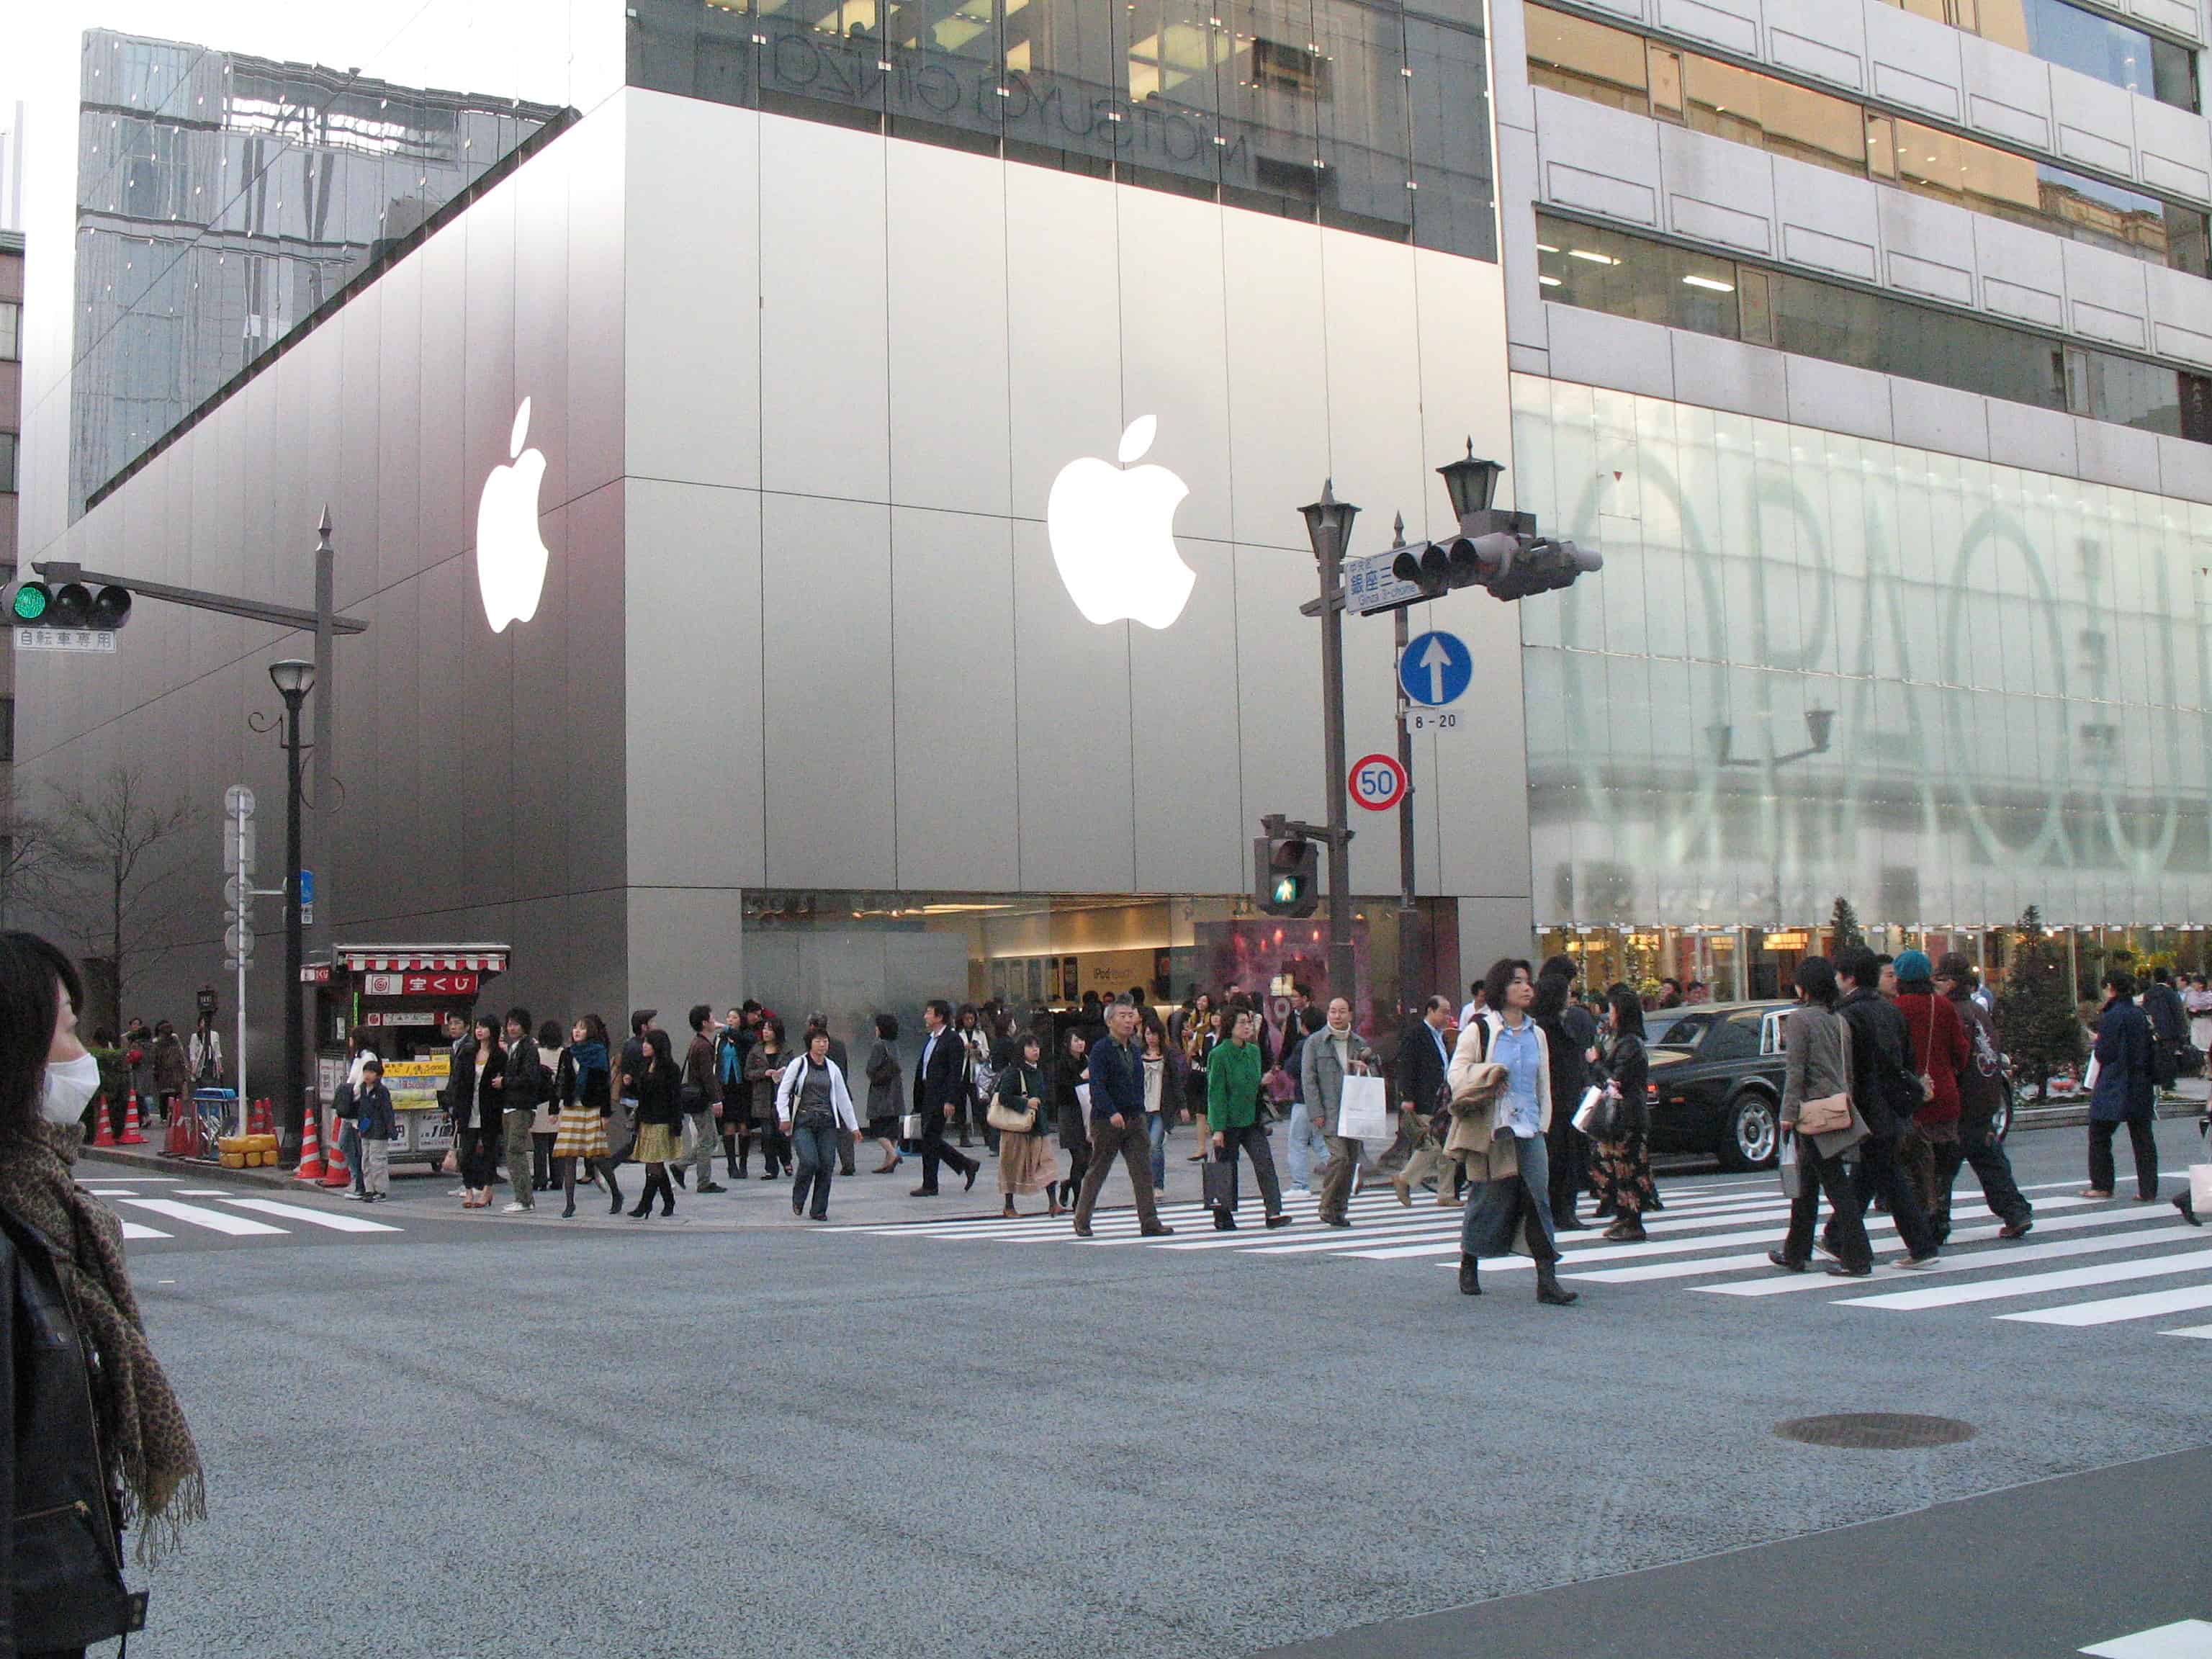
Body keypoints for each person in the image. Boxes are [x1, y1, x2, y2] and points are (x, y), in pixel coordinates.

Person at [0, 932, 204, 1645]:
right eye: (65, 1027)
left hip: (51, 1584)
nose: (83, 1053)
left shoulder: (49, 1207)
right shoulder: (19, 1226)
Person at [1450, 958, 1576, 1306]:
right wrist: (1490, 1073)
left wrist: (1544, 1124)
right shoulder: (1482, 1029)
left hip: (1530, 1127)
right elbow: (1457, 1072)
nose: (1526, 987)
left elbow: (1542, 1082)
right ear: (1500, 988)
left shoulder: (1537, 1033)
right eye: (1517, 981)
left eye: (1527, 982)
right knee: (1487, 1197)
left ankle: (1547, 1278)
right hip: (1495, 1128)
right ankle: (1469, 1261)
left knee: (1539, 1200)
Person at [1768, 956, 1874, 1277]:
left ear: (1805, 986)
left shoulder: (1800, 1020)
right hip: (1835, 1108)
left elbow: (1795, 1070)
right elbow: (1847, 1070)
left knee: (1834, 1186)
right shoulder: (1838, 1020)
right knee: (1809, 1184)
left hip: (1811, 1113)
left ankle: (1857, 1255)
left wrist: (1787, 1114)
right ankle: (1795, 1251)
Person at [1834, 948, 1940, 1267]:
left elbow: (1848, 1068)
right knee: (1878, 1173)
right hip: (1893, 1104)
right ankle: (1837, 1234)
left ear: (1849, 977)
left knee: (1883, 1175)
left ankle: (1918, 1246)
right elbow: (1909, 1060)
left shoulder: (1848, 1014)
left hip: (1865, 1106)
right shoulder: (1891, 1011)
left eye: (1839, 974)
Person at [1935, 954, 2033, 1239]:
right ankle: (2015, 1211)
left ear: (1951, 981)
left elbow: (1954, 1058)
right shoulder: (1978, 1011)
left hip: (1961, 1098)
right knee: (1988, 1159)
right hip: (1985, 1095)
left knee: (1943, 1166)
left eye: (1939, 979)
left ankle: (1937, 1223)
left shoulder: (1950, 1012)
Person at [1072, 999, 1175, 1238]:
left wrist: (1138, 1110)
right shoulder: (1101, 1049)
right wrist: (1111, 1112)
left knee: (1143, 1170)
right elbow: (1097, 1085)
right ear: (1110, 1021)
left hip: (1134, 1117)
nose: (1129, 1020)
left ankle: (1149, 1221)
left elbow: (1138, 1084)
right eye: (1123, 1015)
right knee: (1098, 1169)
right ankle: (1082, 1220)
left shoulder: (1135, 1048)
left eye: (1131, 1015)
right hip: (1107, 1120)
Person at [1891, 951, 1965, 1242]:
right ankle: (1941, 1217)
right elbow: (1961, 1050)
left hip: (1910, 1098)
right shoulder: (1943, 1006)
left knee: (1912, 1163)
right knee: (1944, 1165)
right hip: (1944, 1093)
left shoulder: (1895, 1009)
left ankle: (1921, 1220)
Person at [1205, 1008, 1288, 1231]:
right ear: (1230, 1026)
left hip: (1251, 1119)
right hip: (1228, 1121)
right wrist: (1217, 1129)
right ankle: (1223, 1215)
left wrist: (1263, 1081)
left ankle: (1273, 1212)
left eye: (1249, 1022)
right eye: (1242, 1022)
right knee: (1226, 1167)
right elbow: (1216, 1093)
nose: (1247, 1026)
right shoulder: (1219, 1054)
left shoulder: (1253, 1051)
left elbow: (1252, 1084)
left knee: (1265, 1163)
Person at [1300, 997, 1378, 1229]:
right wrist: (1316, 1111)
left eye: (1342, 1011)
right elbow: (1309, 1079)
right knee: (1340, 1158)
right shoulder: (1315, 1042)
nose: (1337, 1016)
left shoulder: (1359, 1043)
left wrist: (1367, 1065)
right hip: (1329, 1110)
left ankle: (1339, 1210)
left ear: (1350, 1015)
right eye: (1333, 1011)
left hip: (1354, 1109)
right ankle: (1326, 1204)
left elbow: (1374, 1071)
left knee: (1351, 1160)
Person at [2085, 969, 2159, 1202]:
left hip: (2115, 1081)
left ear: (2111, 988)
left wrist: (2097, 1042)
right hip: (2140, 1081)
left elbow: (2105, 1053)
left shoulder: (2113, 1016)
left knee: (2099, 1132)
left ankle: (2102, 1184)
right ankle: (2148, 1189)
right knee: (2142, 1137)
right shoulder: (2141, 1014)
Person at [1589, 987, 1655, 1242]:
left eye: (1613, 1010)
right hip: (1623, 1114)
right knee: (1616, 1166)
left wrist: (1596, 1063)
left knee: (1627, 1168)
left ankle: (1633, 1221)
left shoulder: (1630, 1044)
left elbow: (1616, 1079)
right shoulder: (1621, 1041)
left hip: (1627, 1115)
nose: (1609, 1015)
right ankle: (1624, 1215)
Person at [1534, 960, 1596, 1230]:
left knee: (1556, 1160)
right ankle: (1564, 1212)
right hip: (1561, 1102)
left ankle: (1554, 1211)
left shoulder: (1539, 1026)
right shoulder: (1555, 1028)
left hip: (1552, 1103)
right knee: (1565, 1160)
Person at [776, 1027, 860, 1221]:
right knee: (809, 1161)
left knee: (827, 1164)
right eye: (818, 1041)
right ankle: (799, 1197)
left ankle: (819, 1209)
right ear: (810, 1044)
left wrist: (854, 1126)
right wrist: (784, 1117)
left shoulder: (832, 1068)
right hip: (804, 1121)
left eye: (825, 1041)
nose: (823, 1045)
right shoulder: (799, 1064)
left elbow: (843, 1098)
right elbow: (783, 1091)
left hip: (827, 1122)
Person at [910, 1000, 981, 1197]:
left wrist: (950, 1100)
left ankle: (931, 1184)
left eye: (929, 1013)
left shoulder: (952, 1040)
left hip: (940, 1096)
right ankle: (966, 1164)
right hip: (927, 1094)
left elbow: (954, 1073)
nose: (925, 1016)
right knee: (930, 1139)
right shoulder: (931, 1039)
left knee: (930, 1138)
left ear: (939, 1017)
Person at [1390, 995, 1455, 1208]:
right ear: (1430, 1010)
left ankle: (1446, 1193)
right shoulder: (1417, 1034)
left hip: (1445, 1099)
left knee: (1450, 1147)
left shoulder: (1441, 1036)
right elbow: (1406, 1067)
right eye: (1444, 1012)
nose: (1447, 1016)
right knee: (1433, 1145)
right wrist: (1408, 1097)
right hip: (1426, 1099)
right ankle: (1405, 1179)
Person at [555, 1015, 619, 1217]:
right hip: (571, 1106)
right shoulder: (567, 1053)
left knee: (597, 1155)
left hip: (592, 1107)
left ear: (590, 1032)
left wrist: (605, 1112)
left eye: (581, 1029)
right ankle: (570, 1203)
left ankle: (616, 1193)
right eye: (575, 1028)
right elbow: (560, 1080)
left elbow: (604, 1085)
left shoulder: (598, 1052)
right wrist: (552, 1107)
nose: (577, 1032)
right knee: (569, 1156)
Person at [994, 1033, 1059, 1217]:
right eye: (1030, 1046)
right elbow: (1003, 1097)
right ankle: (1009, 1205)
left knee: (1047, 1163)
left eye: (1037, 1046)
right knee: (1012, 1165)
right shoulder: (1014, 1072)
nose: (1035, 1050)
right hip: (1017, 1128)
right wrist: (1025, 1103)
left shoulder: (1038, 1070)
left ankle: (1053, 1203)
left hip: (1038, 1126)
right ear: (1021, 1050)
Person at [629, 1028, 684, 1218]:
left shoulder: (670, 1068)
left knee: (654, 1163)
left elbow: (675, 1098)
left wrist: (676, 1123)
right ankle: (668, 1201)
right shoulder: (644, 1066)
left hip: (662, 1120)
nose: (644, 1046)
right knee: (655, 1164)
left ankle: (645, 1204)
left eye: (648, 1043)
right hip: (646, 1119)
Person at [497, 1008, 547, 1214]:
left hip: (521, 1105)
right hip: (510, 1105)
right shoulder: (514, 1047)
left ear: (524, 1026)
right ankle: (522, 1197)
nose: (511, 1028)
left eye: (515, 1024)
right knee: (512, 1152)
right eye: (509, 1024)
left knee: (515, 1150)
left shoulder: (528, 1048)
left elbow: (529, 1078)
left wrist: (505, 1082)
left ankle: (525, 1199)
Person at [680, 1006, 729, 1195]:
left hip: (698, 1097)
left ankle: (683, 1168)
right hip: (702, 1099)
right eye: (712, 1018)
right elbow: (708, 1076)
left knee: (708, 1138)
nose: (714, 1020)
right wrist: (717, 1100)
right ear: (704, 1022)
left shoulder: (697, 1043)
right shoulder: (703, 1047)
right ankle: (700, 1179)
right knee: (707, 1140)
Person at [461, 1016, 505, 1209]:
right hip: (468, 1109)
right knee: (467, 1153)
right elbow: (459, 1081)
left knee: (489, 1151)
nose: (479, 1030)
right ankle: (469, 1189)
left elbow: (505, 1081)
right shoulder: (468, 1052)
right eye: (478, 1027)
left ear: (492, 1030)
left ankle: (487, 1189)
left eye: (484, 1027)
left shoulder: (499, 1056)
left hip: (489, 1109)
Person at [745, 1017, 794, 1180]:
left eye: (769, 1029)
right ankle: (770, 1168)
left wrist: (782, 1074)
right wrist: (763, 1074)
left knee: (782, 1132)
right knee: (767, 1135)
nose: (766, 1032)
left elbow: (794, 1070)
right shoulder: (756, 1050)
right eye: (764, 1029)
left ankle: (786, 1161)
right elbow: (748, 1073)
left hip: (781, 1095)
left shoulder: (786, 1050)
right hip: (763, 1096)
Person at [1140, 1020, 1184, 1194]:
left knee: (1154, 1145)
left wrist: (1182, 1105)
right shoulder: (1138, 1054)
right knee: (1144, 1147)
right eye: (1148, 1034)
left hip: (1161, 1106)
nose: (1151, 1038)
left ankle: (1157, 1184)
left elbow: (1176, 1081)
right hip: (1142, 1106)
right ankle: (1146, 1183)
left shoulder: (1168, 1054)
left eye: (1154, 1034)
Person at [861, 1015, 907, 1174]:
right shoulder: (895, 1045)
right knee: (892, 1127)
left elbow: (871, 1068)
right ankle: (887, 1162)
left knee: (878, 1127)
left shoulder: (879, 1046)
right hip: (896, 1091)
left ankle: (893, 1155)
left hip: (882, 1091)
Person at [1054, 1028, 1092, 1213]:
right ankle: (1078, 1201)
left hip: (1086, 1112)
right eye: (1076, 1040)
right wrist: (1081, 1078)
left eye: (1082, 1040)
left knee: (1088, 1159)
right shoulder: (1062, 1064)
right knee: (1079, 1157)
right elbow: (1063, 1091)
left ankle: (1068, 1184)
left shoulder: (1087, 1061)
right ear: (1068, 1043)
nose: (1080, 1044)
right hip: (1069, 1114)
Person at [715, 1007, 752, 1179]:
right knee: (728, 1125)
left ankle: (743, 1163)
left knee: (744, 1126)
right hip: (726, 1086)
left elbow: (744, 1042)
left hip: (743, 1087)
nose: (730, 1020)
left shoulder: (747, 1036)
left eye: (734, 1017)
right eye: (728, 1017)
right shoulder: (720, 1038)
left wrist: (729, 1031)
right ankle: (732, 1164)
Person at [2142, 965, 2188, 1096]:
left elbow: (2146, 1012)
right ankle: (2169, 1082)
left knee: (2157, 1056)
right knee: (2170, 1057)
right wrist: (2182, 1031)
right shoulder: (2171, 994)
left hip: (2155, 1031)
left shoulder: (2149, 994)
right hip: (2170, 1031)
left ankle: (2159, 1078)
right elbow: (2178, 1013)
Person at [354, 1056, 395, 1202]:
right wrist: (361, 1127)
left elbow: (387, 1111)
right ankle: (369, 1189)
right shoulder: (363, 1089)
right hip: (366, 1128)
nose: (367, 1075)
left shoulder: (382, 1091)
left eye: (371, 1072)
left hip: (379, 1130)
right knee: (366, 1160)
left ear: (378, 1075)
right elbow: (363, 1111)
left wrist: (391, 1130)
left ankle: (381, 1191)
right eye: (365, 1071)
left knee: (377, 1161)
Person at [956, 1004, 994, 1151]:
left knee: (979, 1105)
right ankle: (963, 1136)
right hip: (961, 1073)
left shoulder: (981, 1034)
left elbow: (986, 1052)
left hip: (976, 1072)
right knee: (960, 1106)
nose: (969, 1021)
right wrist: (964, 1048)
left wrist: (978, 1051)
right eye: (966, 1019)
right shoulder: (956, 1033)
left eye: (971, 1018)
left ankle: (986, 1135)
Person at [533, 1020, 565, 1193]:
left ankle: (540, 1179)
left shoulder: (537, 1053)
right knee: (556, 1144)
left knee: (539, 1145)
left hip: (540, 1101)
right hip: (558, 1103)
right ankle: (558, 1178)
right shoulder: (564, 1053)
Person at [151, 1018, 189, 1125]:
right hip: (176, 1075)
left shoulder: (158, 1044)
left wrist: (155, 1072)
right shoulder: (175, 1043)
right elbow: (181, 1058)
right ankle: (174, 1115)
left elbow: (156, 1060)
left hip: (164, 1075)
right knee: (175, 1095)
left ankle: (165, 1117)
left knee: (164, 1096)